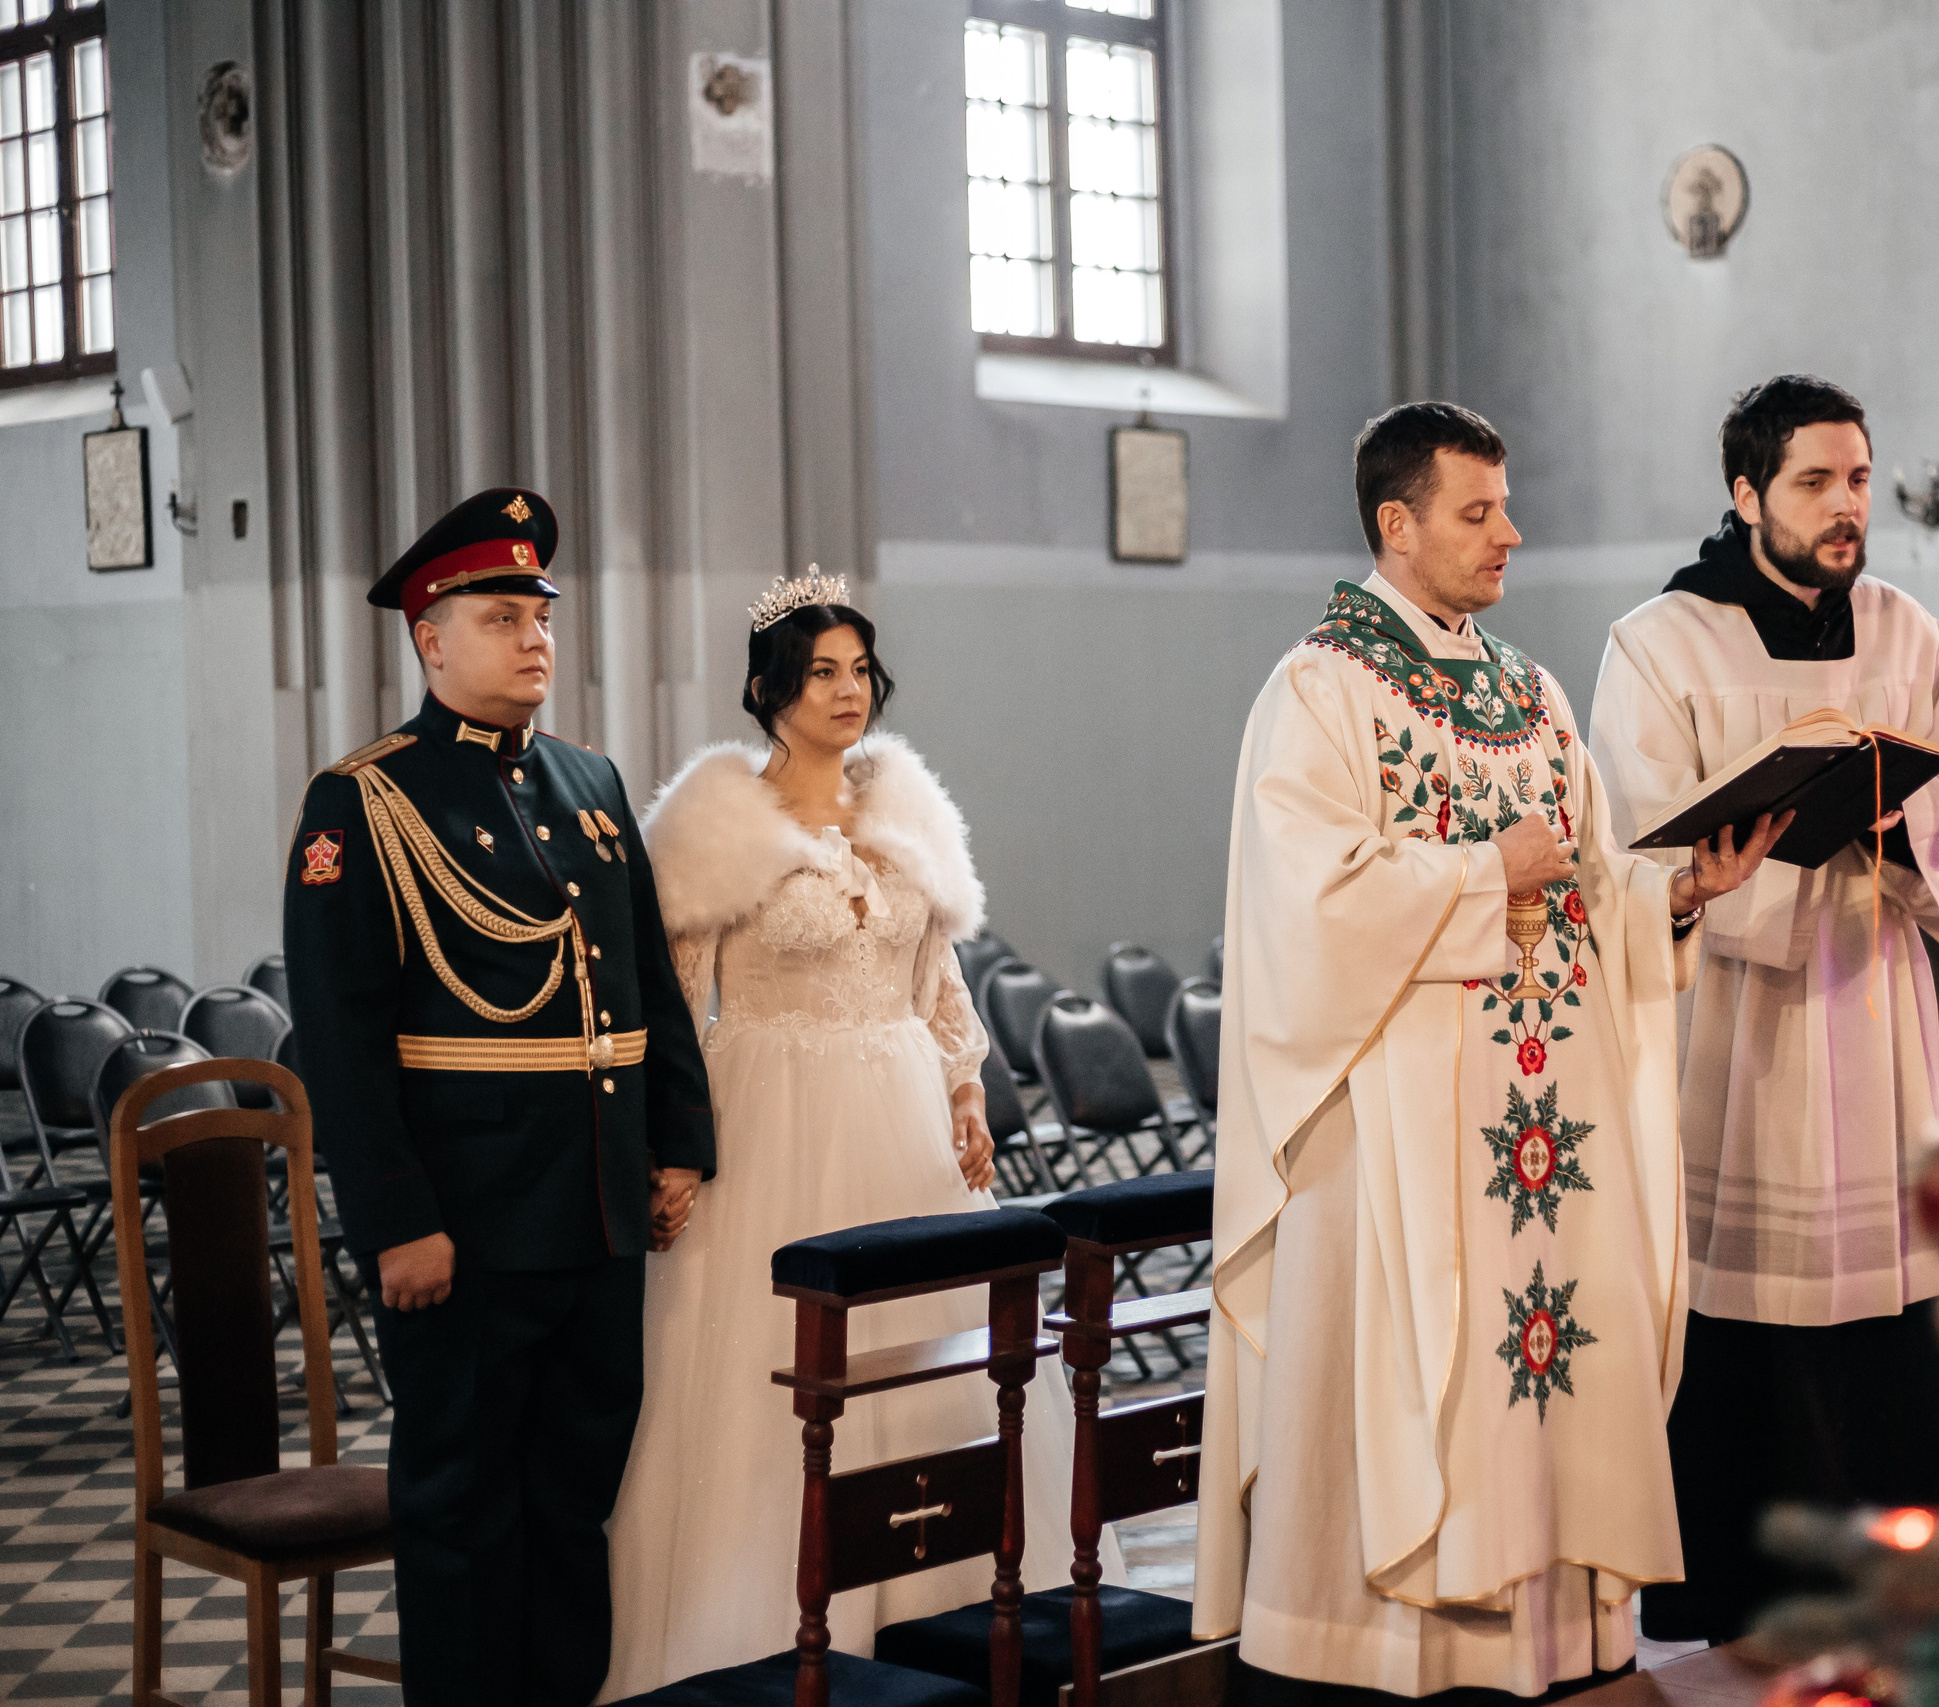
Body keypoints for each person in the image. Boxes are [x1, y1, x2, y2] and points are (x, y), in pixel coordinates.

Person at [1194, 402, 1786, 1700]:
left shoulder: (1528, 690)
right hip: (1397, 1138)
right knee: (1418, 1396)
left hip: (1536, 1138)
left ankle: (1542, 1641)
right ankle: (1381, 1648)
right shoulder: (1318, 690)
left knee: (1539, 1379)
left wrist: (1674, 893)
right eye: (1478, 511)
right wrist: (1480, 871)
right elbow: (1303, 914)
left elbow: (1585, 879)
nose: (1510, 533)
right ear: (1396, 526)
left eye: (1506, 505)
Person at [602, 568, 1111, 1692]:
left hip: (903, 1112)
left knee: (940, 1361)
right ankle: (762, 1633)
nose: (848, 691)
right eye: (821, 671)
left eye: (859, 671)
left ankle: (945, 1609)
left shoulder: (904, 807)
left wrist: (967, 1093)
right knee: (773, 1379)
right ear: (767, 687)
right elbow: (675, 1004)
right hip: (771, 1114)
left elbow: (939, 975)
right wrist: (672, 1147)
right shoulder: (712, 821)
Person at [283, 488, 716, 1707]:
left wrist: (676, 1143)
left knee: (577, 1504)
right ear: (430, 639)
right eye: (502, 614)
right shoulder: (364, 802)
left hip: (593, 1217)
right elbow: (344, 1037)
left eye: (541, 614)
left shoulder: (589, 780)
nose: (535, 637)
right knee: (465, 1512)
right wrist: (395, 1221)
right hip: (463, 1233)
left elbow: (644, 986)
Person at [1586, 375, 1939, 1654]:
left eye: (1860, 479)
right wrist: (1745, 862)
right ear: (1745, 491)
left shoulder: (1909, 631)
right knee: (1742, 1327)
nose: (1844, 508)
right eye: (1815, 482)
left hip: (1874, 1014)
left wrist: (1900, 820)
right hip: (1738, 1042)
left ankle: (1897, 1597)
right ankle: (1740, 1607)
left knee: (1883, 1326)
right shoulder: (1661, 643)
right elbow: (1634, 846)